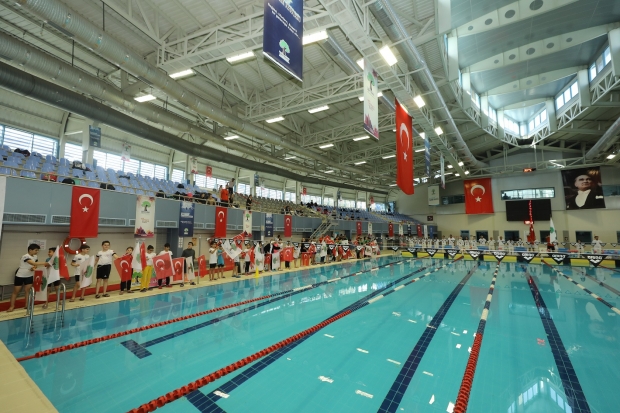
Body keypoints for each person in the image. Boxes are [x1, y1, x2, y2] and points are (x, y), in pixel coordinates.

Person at [7, 243, 50, 312]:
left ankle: (27, 305)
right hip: (20, 276)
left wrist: (33, 268)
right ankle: (12, 306)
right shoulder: (25, 256)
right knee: (16, 292)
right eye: (36, 250)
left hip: (29, 276)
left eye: (38, 250)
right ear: (30, 250)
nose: (37, 252)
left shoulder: (35, 257)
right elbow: (33, 263)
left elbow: (35, 265)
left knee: (27, 291)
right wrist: (46, 263)